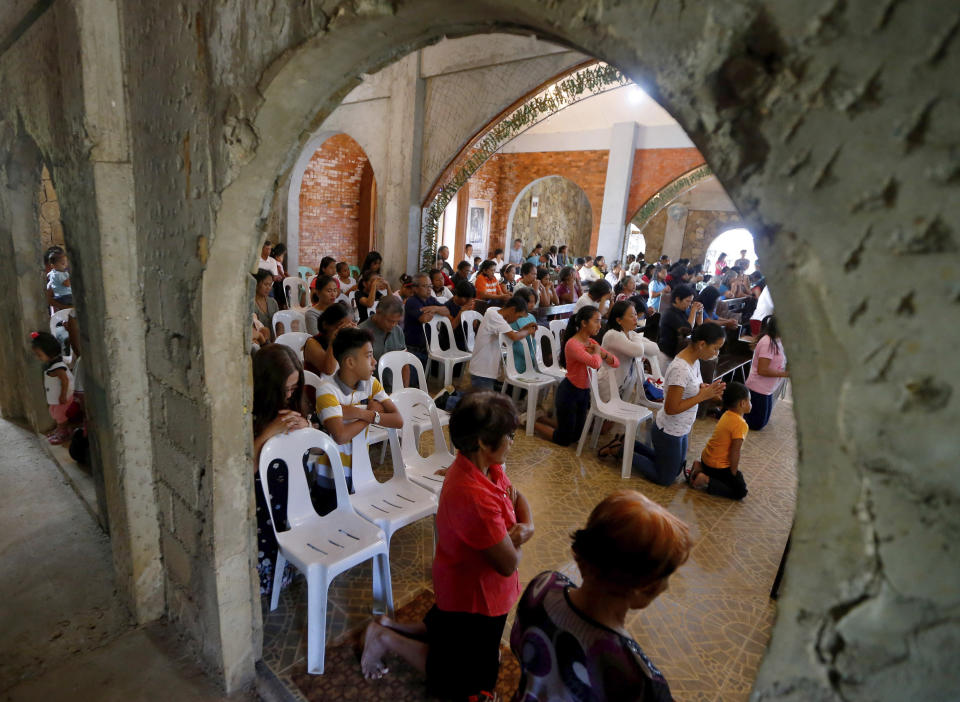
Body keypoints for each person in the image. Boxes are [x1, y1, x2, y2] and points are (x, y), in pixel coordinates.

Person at [360, 391, 533, 699]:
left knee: (447, 633)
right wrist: (516, 535)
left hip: (465, 586)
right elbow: (508, 563)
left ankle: (386, 625)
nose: (512, 442)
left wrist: (523, 528)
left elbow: (516, 496)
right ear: (482, 441)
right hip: (475, 597)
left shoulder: (483, 468)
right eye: (508, 436)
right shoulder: (474, 494)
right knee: (456, 675)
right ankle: (386, 640)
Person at [512, 490, 690, 702]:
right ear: (645, 588)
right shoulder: (640, 680)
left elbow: (517, 645)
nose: (667, 587)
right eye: (666, 577)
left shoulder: (543, 586)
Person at [314, 327, 403, 511]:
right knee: (334, 522)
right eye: (369, 355)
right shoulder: (327, 390)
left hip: (361, 469)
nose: (374, 361)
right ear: (350, 362)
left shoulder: (371, 383)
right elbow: (340, 435)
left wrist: (358, 413)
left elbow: (398, 420)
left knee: (360, 518)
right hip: (331, 474)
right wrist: (369, 415)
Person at [631, 324, 726, 485]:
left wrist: (706, 389)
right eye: (715, 348)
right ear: (702, 344)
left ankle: (631, 445)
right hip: (668, 430)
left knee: (676, 469)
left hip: (681, 427)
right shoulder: (680, 369)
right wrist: (702, 396)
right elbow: (671, 408)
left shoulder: (694, 361)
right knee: (666, 479)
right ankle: (623, 451)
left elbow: (694, 387)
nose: (716, 353)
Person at [252, 344, 310, 595]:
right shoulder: (249, 411)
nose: (289, 395)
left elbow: (315, 448)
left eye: (294, 388)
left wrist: (306, 426)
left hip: (292, 495)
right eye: (284, 389)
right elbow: (244, 469)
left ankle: (289, 568)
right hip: (262, 501)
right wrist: (269, 432)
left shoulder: (295, 403)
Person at [534, 306, 618, 446]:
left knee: (576, 436)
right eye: (596, 321)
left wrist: (602, 353)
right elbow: (595, 364)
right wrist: (598, 352)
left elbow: (615, 363)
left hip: (584, 392)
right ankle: (530, 422)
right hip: (569, 392)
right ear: (584, 323)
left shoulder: (591, 343)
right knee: (564, 440)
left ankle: (542, 419)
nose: (600, 325)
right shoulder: (573, 344)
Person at [688, 382, 751, 500]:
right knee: (740, 491)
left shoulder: (726, 414)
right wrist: (733, 473)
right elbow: (735, 452)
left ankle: (700, 467)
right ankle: (705, 479)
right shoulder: (740, 424)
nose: (750, 404)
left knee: (729, 479)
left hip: (706, 458)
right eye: (749, 401)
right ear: (742, 403)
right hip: (716, 467)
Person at [598, 301, 663, 409]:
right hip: (608, 385)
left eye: (636, 314)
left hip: (623, 384)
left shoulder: (631, 334)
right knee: (606, 420)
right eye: (631, 316)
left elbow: (655, 349)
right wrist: (637, 339)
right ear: (619, 320)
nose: (635, 318)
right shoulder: (613, 335)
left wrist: (636, 340)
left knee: (613, 422)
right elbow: (638, 351)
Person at [469, 297, 537, 390]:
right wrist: (528, 331)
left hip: (486, 370)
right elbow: (514, 336)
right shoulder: (494, 316)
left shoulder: (497, 315)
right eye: (519, 316)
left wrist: (525, 329)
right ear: (512, 309)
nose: (517, 320)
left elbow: (511, 336)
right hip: (482, 370)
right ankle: (448, 399)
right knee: (479, 402)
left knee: (480, 400)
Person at [31, 331, 76, 444]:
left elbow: (65, 381)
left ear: (49, 352)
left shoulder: (58, 367)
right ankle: (59, 429)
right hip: (57, 397)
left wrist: (63, 395)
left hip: (64, 397)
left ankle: (63, 432)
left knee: (61, 415)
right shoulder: (51, 365)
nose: (38, 357)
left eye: (39, 355)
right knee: (55, 412)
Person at [744, 315, 788, 430]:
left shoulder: (778, 340)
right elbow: (762, 370)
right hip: (758, 388)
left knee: (762, 421)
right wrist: (785, 374)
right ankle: (727, 414)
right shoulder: (767, 342)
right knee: (757, 424)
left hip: (767, 389)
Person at [358, 295, 408, 389]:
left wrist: (405, 389)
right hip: (369, 390)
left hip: (393, 386)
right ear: (378, 313)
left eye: (397, 322)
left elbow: (404, 364)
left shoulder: (397, 330)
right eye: (390, 321)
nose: (393, 325)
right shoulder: (361, 332)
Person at [404, 273, 452, 365]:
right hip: (413, 348)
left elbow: (447, 311)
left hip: (427, 346)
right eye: (425, 286)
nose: (429, 289)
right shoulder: (412, 301)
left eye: (430, 286)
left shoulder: (430, 299)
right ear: (415, 288)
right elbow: (424, 318)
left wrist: (435, 308)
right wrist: (436, 310)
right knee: (415, 377)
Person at [656, 283, 702, 372]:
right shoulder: (669, 313)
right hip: (666, 355)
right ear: (677, 299)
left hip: (677, 354)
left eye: (691, 302)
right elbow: (687, 330)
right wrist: (693, 311)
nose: (689, 304)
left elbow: (699, 327)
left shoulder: (683, 312)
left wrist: (700, 313)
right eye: (688, 301)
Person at [303, 302, 353, 376]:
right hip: (318, 385)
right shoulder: (312, 343)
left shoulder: (344, 340)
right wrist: (334, 339)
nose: (343, 330)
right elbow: (329, 370)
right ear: (325, 325)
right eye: (340, 326)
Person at [509, 288, 540, 373]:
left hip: (531, 353)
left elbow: (533, 338)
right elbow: (513, 340)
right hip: (518, 355)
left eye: (534, 302)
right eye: (530, 302)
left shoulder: (531, 317)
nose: (532, 305)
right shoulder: (514, 318)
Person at [445, 281, 477, 352]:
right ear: (458, 295)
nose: (468, 301)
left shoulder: (468, 305)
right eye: (466, 299)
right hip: (449, 342)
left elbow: (474, 326)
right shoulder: (447, 307)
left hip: (465, 341)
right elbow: (451, 328)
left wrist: (471, 312)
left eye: (470, 299)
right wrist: (462, 311)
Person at [252, 269, 280, 341]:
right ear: (256, 284)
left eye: (270, 285)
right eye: (265, 284)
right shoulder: (250, 303)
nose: (268, 288)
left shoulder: (273, 302)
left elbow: (279, 324)